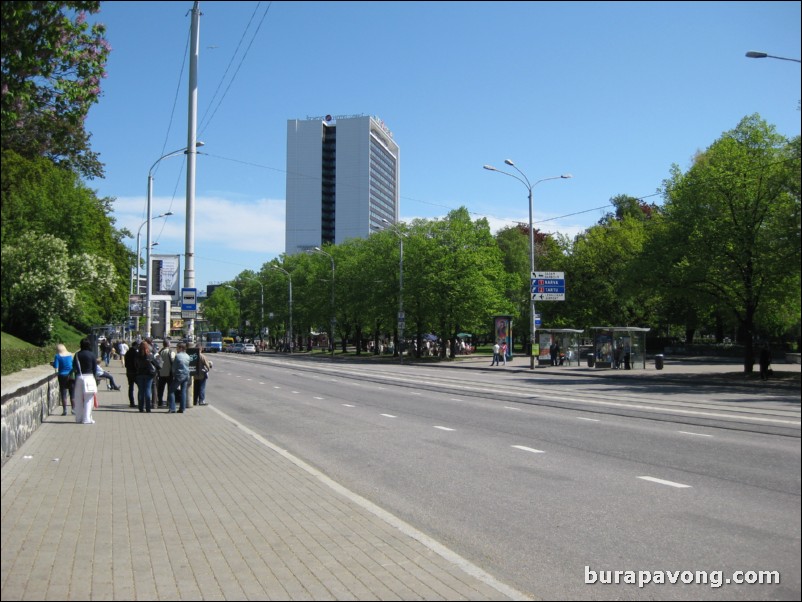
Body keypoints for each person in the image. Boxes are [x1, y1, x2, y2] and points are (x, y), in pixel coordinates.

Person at [72, 338, 98, 424]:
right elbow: (95, 368)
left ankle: (78, 418)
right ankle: (86, 419)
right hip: (89, 377)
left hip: (79, 377)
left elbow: (74, 367)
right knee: (88, 399)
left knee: (78, 399)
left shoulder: (77, 355)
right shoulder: (92, 355)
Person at [135, 340, 159, 413]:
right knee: (148, 391)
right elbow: (156, 364)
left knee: (141, 391)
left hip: (140, 374)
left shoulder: (137, 355)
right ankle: (148, 408)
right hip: (149, 374)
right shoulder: (149, 355)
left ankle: (141, 407)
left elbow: (135, 365)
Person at [52, 343, 75, 416]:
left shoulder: (57, 356)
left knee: (63, 393)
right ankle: (73, 410)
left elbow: (56, 366)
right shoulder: (70, 355)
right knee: (72, 393)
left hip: (62, 375)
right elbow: (72, 364)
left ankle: (65, 410)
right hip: (71, 375)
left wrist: (52, 364)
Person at [168, 342, 190, 413]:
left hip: (179, 375)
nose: (176, 349)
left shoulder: (178, 356)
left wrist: (173, 374)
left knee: (171, 390)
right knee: (183, 391)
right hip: (186, 375)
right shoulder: (187, 356)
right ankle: (182, 408)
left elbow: (173, 368)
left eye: (177, 347)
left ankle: (172, 408)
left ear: (181, 348)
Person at [157, 339, 175, 408]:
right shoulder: (171, 352)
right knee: (170, 389)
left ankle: (160, 402)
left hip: (161, 373)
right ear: (169, 344)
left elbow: (157, 361)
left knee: (160, 389)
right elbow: (173, 361)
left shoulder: (160, 352)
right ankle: (169, 402)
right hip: (169, 373)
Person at [124, 341, 139, 407]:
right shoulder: (136, 353)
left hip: (129, 372)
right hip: (135, 372)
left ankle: (131, 402)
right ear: (135, 345)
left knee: (130, 387)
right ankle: (140, 401)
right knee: (140, 387)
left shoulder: (127, 352)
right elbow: (136, 363)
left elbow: (126, 364)